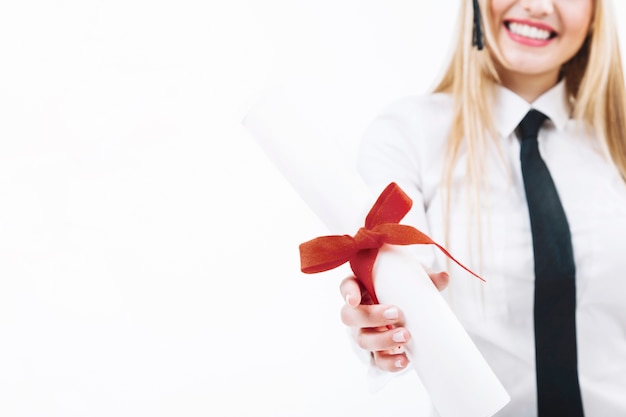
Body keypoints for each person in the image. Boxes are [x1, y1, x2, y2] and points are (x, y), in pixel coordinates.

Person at [339, 0, 626, 415]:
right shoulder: (408, 137)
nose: (537, 6)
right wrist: (382, 320)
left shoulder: (615, 144)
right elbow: (399, 281)